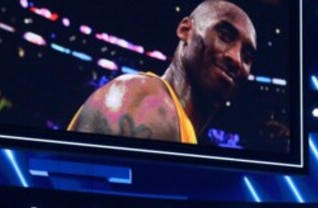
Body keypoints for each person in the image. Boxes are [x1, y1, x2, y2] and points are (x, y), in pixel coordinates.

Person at [68, 0, 257, 145]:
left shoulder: (175, 120)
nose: (236, 59)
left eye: (247, 56)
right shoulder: (149, 103)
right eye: (224, 35)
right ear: (185, 30)